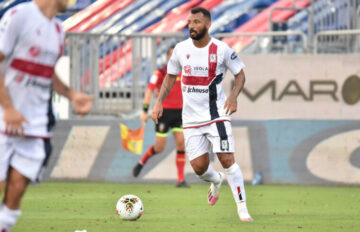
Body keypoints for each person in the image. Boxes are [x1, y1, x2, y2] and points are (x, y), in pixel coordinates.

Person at [151, 7, 253, 222]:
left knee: (227, 159)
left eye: (196, 22)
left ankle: (242, 208)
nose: (191, 26)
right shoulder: (180, 49)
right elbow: (170, 77)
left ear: (208, 25)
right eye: (189, 22)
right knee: (198, 168)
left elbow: (240, 73)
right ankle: (216, 180)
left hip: (217, 115)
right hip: (191, 119)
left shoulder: (222, 49)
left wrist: (233, 96)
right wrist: (158, 102)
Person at [0, 0, 93, 231]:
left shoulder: (58, 30)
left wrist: (71, 94)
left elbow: (47, 69)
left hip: (35, 124)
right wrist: (9, 107)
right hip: (4, 118)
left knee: (18, 188)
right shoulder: (19, 16)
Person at [132, 46, 189, 188]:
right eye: (171, 54)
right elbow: (149, 91)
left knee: (181, 143)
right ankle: (142, 161)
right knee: (159, 147)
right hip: (163, 114)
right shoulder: (160, 73)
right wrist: (145, 111)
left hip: (179, 113)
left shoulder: (184, 73)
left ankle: (180, 179)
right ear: (167, 57)